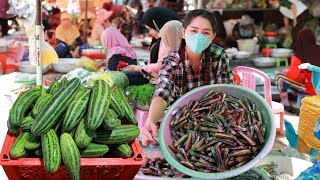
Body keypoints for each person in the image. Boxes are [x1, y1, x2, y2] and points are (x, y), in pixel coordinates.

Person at [140, 9, 233, 146]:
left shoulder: (218, 55)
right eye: (194, 31)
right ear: (183, 32)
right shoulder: (172, 60)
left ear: (213, 36)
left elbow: (226, 93)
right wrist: (151, 120)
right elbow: (162, 92)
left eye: (206, 32)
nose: (199, 36)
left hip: (215, 126)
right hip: (182, 127)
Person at [123, 7, 180, 84]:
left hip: (161, 79)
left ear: (158, 25)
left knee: (124, 78)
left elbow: (161, 66)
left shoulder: (167, 41)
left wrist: (138, 68)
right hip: (157, 77)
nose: (150, 33)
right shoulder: (160, 39)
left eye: (150, 29)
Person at [275, 28, 320, 115]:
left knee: (280, 77)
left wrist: (287, 72)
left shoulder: (299, 55)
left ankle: (285, 103)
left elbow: (293, 77)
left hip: (312, 90)